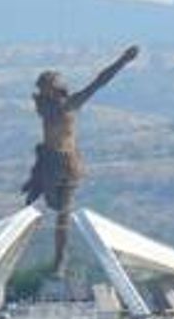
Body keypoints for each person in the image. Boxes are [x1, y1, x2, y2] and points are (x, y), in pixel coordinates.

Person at [21, 46, 140, 274]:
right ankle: (37, 189)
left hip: (67, 163)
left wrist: (122, 61)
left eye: (49, 86)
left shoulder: (70, 105)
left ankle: (60, 260)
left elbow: (99, 82)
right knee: (50, 203)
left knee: (63, 213)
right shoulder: (44, 107)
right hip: (48, 162)